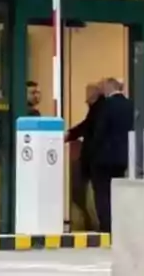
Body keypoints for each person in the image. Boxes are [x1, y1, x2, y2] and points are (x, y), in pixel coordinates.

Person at [87, 77, 133, 234]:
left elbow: (99, 131)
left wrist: (91, 152)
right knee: (117, 192)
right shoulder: (130, 105)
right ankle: (119, 226)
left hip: (103, 158)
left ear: (109, 87)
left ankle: (106, 227)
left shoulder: (105, 106)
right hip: (122, 158)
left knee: (102, 193)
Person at [64, 83, 104, 230]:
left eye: (88, 97)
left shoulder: (98, 109)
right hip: (95, 159)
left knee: (93, 193)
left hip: (94, 159)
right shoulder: (99, 109)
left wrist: (68, 135)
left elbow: (87, 127)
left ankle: (95, 223)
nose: (86, 101)